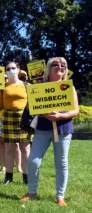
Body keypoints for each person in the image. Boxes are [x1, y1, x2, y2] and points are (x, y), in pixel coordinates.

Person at [21, 57, 79, 206]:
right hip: (43, 128)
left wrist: (61, 116)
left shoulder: (69, 87)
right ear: (49, 68)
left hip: (63, 129)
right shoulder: (40, 86)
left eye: (64, 65)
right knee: (33, 160)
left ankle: (60, 196)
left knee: (61, 163)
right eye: (56, 64)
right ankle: (31, 192)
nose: (60, 67)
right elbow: (29, 106)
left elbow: (75, 110)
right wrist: (39, 110)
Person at [0, 62, 30, 185]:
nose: (11, 70)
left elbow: (33, 103)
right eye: (8, 69)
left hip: (23, 118)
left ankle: (26, 176)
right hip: (8, 117)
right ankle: (8, 177)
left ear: (19, 70)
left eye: (13, 68)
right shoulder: (2, 87)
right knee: (9, 149)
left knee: (25, 148)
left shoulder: (27, 86)